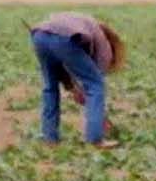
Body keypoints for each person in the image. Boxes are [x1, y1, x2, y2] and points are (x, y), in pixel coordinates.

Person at [28, 12, 126, 148]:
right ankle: (95, 138)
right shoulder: (104, 44)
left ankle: (49, 138)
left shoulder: (84, 28)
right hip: (64, 38)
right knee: (96, 85)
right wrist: (100, 117)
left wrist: (74, 89)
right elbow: (93, 84)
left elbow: (65, 71)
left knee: (50, 87)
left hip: (39, 36)